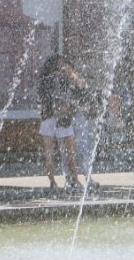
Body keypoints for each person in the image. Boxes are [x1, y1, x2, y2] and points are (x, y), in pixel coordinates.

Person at [37, 54, 83, 190]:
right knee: (70, 151)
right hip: (62, 117)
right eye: (61, 63)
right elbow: (75, 91)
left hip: (48, 118)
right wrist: (73, 76)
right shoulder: (63, 78)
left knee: (49, 153)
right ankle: (75, 180)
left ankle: (53, 182)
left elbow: (42, 99)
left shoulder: (43, 79)